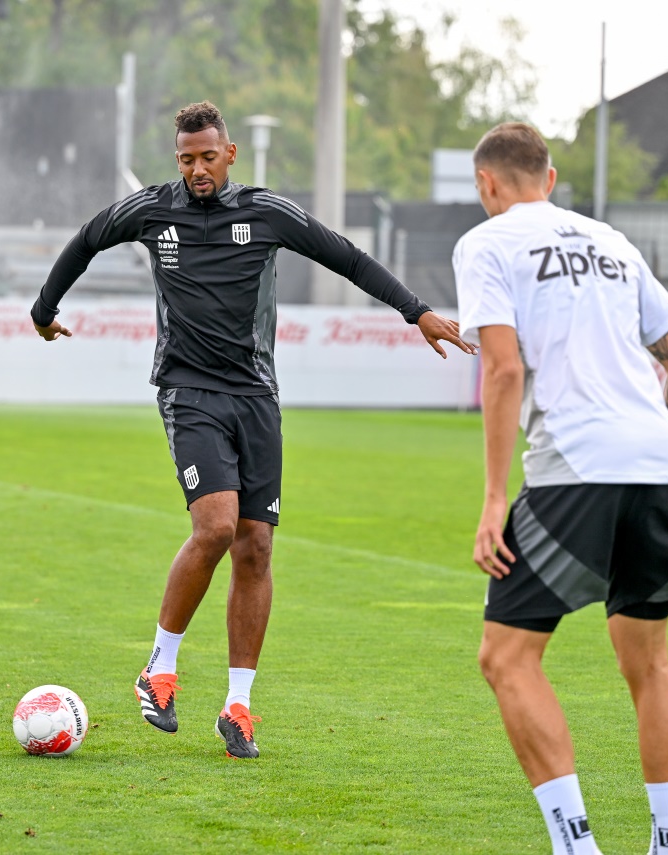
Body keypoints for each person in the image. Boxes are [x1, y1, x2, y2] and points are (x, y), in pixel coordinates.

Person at [30, 101, 473, 759]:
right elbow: (88, 240)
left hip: (257, 398)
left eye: (208, 156)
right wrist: (44, 309)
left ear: (229, 154)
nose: (197, 169)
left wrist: (418, 312)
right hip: (190, 392)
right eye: (186, 159)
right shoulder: (152, 211)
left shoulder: (265, 212)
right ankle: (159, 667)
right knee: (213, 527)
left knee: (256, 545)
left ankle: (238, 705)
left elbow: (346, 257)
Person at [455, 122, 668, 855]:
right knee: (649, 663)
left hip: (576, 462)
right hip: (654, 460)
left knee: (506, 656)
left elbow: (502, 370)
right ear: (552, 178)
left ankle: (576, 846)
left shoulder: (487, 242)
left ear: (487, 184)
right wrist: (654, 459)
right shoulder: (614, 243)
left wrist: (495, 497)